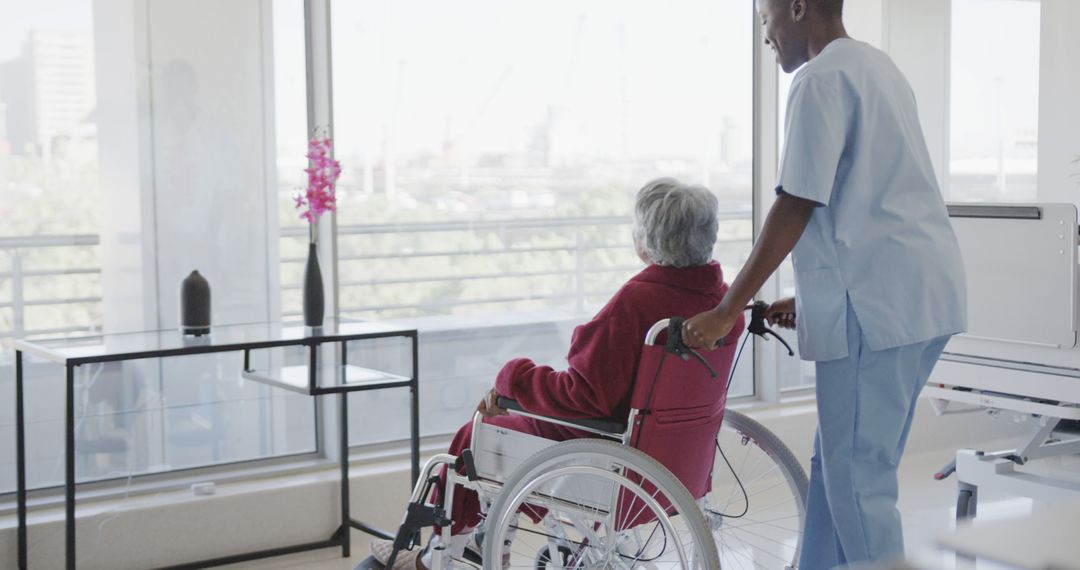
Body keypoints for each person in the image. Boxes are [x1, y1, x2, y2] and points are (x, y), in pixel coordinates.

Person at [683, 0, 966, 568]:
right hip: (921, 294)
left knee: (858, 476)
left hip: (878, 306)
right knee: (841, 460)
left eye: (766, 21)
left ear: (797, 8)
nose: (766, 37)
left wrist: (726, 308)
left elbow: (798, 203)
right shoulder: (878, 68)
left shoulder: (820, 80)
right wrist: (812, 297)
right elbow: (872, 199)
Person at [369, 178, 745, 569]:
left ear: (646, 239)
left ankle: (438, 557)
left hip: (610, 451)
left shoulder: (638, 302)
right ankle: (483, 538)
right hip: (678, 457)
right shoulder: (722, 303)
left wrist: (513, 377)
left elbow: (583, 397)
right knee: (513, 430)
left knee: (478, 432)